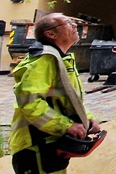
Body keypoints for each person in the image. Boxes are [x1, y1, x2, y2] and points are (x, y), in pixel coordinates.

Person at [10, 13, 101, 174]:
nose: (75, 26)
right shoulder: (43, 60)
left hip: (50, 142)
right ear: (50, 34)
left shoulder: (59, 59)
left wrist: (86, 118)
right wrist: (67, 126)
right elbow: (29, 103)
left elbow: (68, 100)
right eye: (68, 23)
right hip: (36, 144)